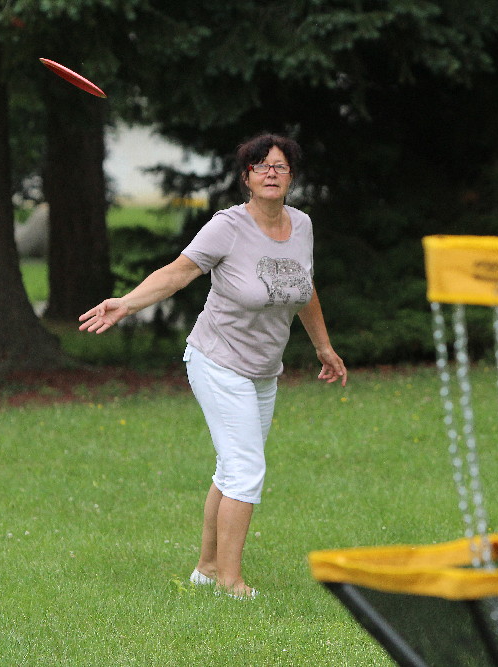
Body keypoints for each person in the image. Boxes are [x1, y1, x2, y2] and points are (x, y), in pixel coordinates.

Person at [79, 133, 347, 600]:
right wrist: (127, 303)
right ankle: (230, 581)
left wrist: (323, 346)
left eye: (280, 166)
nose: (270, 173)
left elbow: (303, 288)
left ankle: (207, 569)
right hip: (217, 360)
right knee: (246, 469)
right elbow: (179, 272)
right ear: (246, 177)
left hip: (264, 369)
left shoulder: (302, 225)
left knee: (232, 469)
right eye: (260, 166)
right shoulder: (227, 226)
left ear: (291, 177)